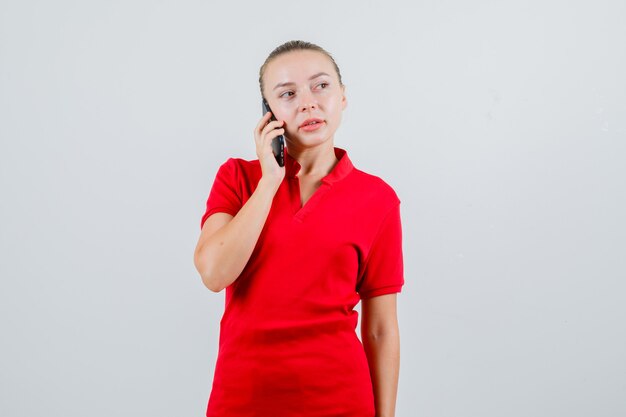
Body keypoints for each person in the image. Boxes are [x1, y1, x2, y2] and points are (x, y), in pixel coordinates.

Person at [194, 40, 404, 417]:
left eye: (321, 86)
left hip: (341, 401)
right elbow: (214, 273)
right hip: (243, 400)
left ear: (342, 98)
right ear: (268, 113)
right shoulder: (238, 178)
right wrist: (269, 183)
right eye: (288, 93)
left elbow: (381, 330)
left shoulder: (378, 198)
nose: (308, 102)